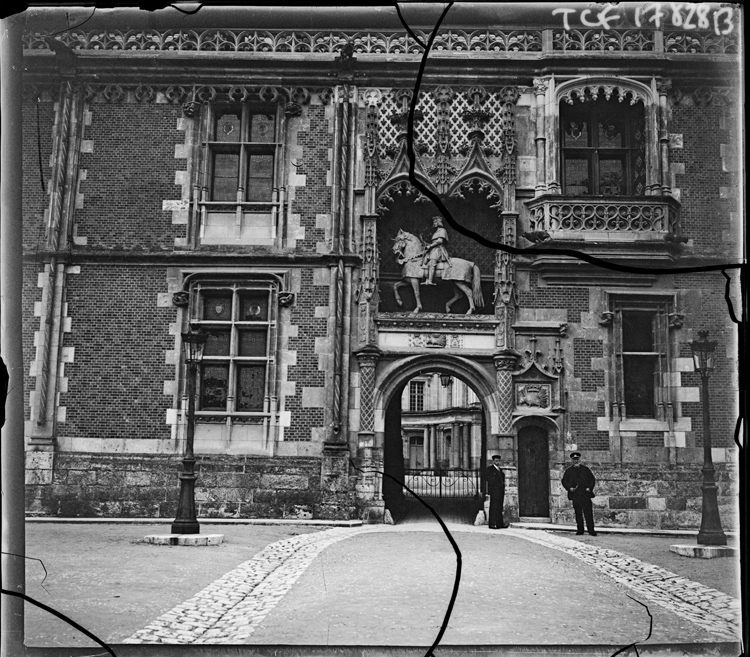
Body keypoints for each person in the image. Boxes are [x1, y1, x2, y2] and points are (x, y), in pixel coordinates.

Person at [561, 452, 597, 536]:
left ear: (579, 460)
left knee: (588, 513)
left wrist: (589, 487)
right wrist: (570, 488)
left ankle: (591, 530)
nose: (576, 461)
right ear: (572, 461)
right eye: (574, 460)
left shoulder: (585, 469)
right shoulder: (569, 471)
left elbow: (592, 479)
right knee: (578, 513)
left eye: (577, 459)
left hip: (585, 494)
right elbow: (564, 481)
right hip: (576, 495)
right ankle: (580, 530)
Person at [421, 216, 451, 286]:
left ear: (438, 222)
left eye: (435, 222)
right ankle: (426, 279)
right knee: (424, 260)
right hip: (433, 249)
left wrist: (430, 246)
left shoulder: (442, 230)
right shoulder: (436, 231)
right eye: (433, 222)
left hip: (438, 249)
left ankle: (430, 281)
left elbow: (440, 241)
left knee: (432, 262)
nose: (434, 223)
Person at [485, 454, 507, 529]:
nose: (497, 462)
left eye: (498, 461)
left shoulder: (500, 470)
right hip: (494, 491)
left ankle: (499, 523)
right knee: (493, 507)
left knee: (499, 507)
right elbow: (489, 480)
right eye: (496, 461)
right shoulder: (490, 469)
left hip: (500, 491)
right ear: (493, 461)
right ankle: (492, 524)